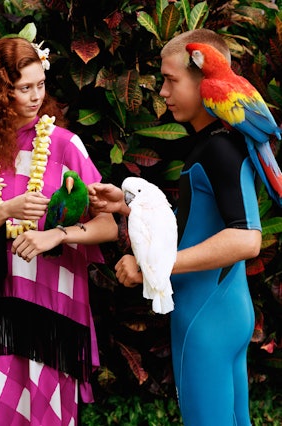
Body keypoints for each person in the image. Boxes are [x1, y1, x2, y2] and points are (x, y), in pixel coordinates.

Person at [89, 29, 262, 426]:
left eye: (171, 80)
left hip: (207, 319)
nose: (163, 92)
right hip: (226, 309)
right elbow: (198, 221)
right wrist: (129, 205)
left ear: (206, 81)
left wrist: (155, 267)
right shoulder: (215, 141)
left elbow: (246, 239)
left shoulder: (219, 147)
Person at [0, 36, 118, 426]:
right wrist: (5, 210)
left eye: (40, 84)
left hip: (52, 314)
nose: (36, 96)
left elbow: (106, 224)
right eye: (24, 88)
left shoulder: (65, 145)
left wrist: (57, 235)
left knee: (50, 416)